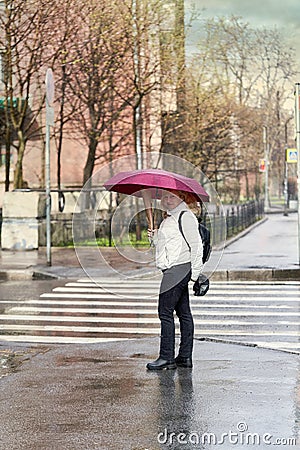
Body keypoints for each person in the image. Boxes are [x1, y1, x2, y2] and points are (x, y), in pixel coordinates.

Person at [146, 189, 203, 370]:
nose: (168, 200)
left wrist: (194, 275)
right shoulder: (170, 218)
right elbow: (167, 246)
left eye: (172, 196)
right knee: (184, 313)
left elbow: (196, 246)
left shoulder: (185, 216)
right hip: (174, 268)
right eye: (165, 196)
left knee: (165, 312)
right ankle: (184, 357)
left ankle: (166, 357)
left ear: (182, 198)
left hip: (178, 270)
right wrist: (155, 237)